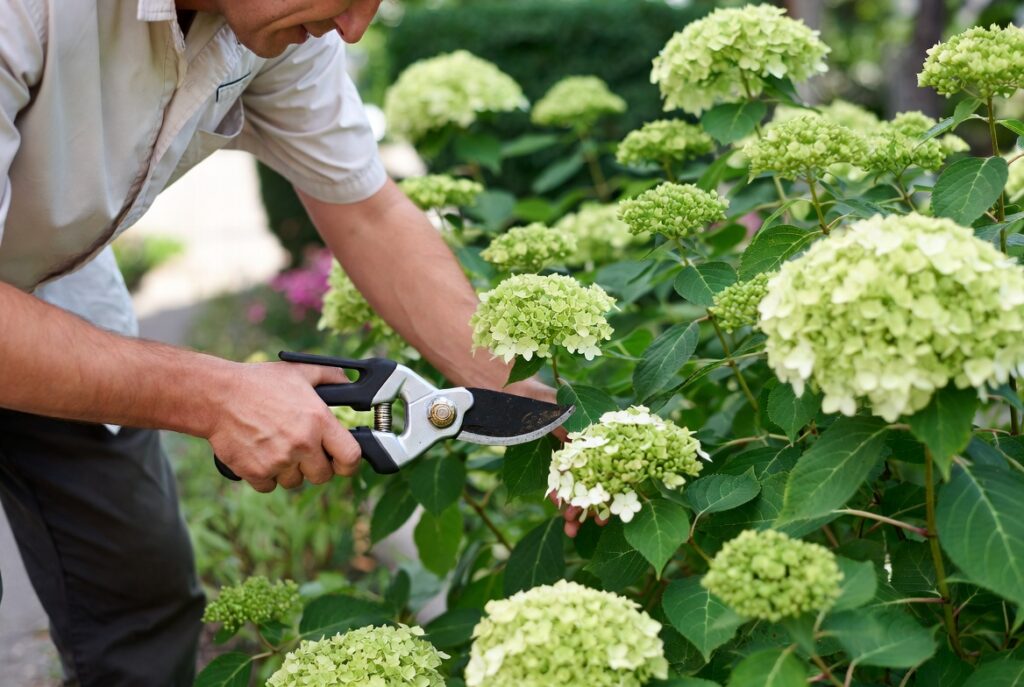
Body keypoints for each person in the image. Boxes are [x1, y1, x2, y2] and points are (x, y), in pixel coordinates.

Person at [0, 1, 566, 684]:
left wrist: (523, 398)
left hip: (58, 295)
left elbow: (368, 212)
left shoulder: (279, 28)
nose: (356, 28)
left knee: (136, 607)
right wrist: (215, 394)